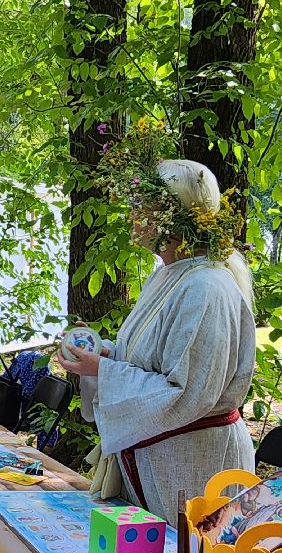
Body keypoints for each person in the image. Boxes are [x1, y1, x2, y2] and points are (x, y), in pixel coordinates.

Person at [58, 160, 254, 527]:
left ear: (170, 216)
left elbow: (187, 392)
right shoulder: (168, 275)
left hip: (195, 464)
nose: (133, 216)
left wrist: (103, 370)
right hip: (160, 456)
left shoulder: (206, 287)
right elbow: (153, 361)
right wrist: (106, 354)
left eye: (141, 207)